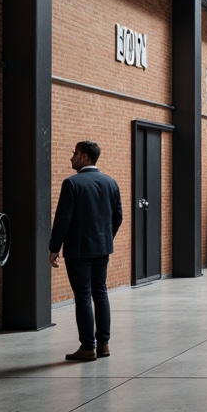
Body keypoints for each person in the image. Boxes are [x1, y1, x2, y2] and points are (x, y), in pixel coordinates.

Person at [49, 140, 123, 362]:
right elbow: (117, 217)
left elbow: (63, 219)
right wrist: (105, 238)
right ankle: (104, 344)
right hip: (102, 249)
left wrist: (54, 248)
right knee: (100, 293)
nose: (71, 157)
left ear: (85, 157)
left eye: (75, 153)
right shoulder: (111, 182)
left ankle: (87, 347)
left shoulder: (72, 184)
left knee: (82, 296)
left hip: (78, 250)